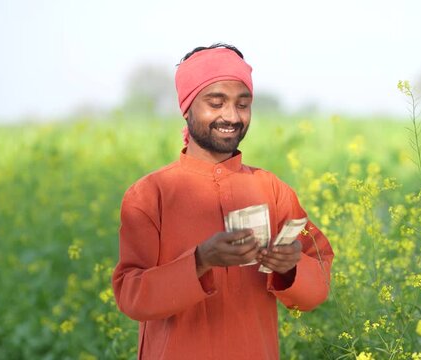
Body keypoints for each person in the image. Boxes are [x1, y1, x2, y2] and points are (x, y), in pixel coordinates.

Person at [112, 43, 334, 359]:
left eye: (243, 104)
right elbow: (132, 297)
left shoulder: (272, 190)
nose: (231, 116)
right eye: (216, 103)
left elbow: (318, 285)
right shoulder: (149, 195)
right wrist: (200, 260)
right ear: (187, 108)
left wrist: (292, 266)